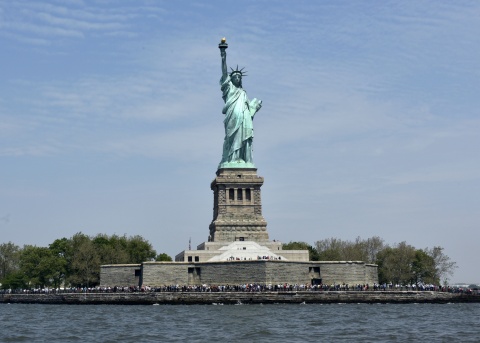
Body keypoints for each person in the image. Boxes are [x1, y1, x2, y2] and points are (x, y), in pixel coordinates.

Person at [219, 46, 262, 168]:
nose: (237, 78)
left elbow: (249, 109)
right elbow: (224, 72)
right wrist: (223, 56)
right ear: (231, 79)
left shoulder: (243, 92)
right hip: (232, 117)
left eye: (239, 77)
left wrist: (254, 108)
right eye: (235, 77)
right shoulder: (229, 88)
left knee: (244, 137)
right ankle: (232, 158)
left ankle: (243, 159)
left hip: (244, 118)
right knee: (232, 137)